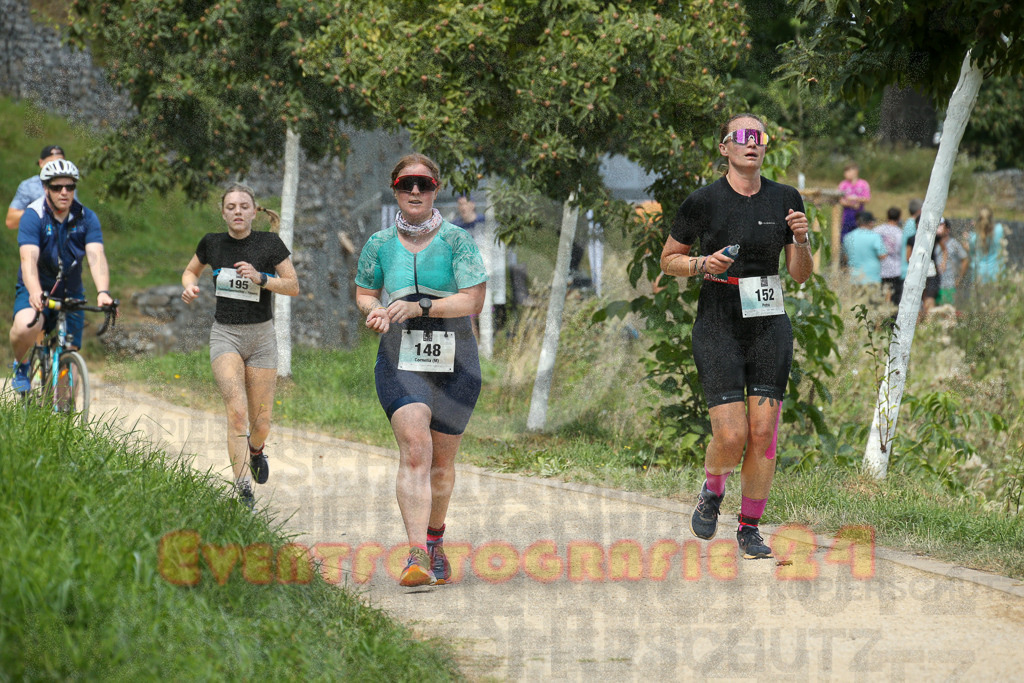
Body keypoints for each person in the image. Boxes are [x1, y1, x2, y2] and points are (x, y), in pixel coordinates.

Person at [659, 113, 813, 560]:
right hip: (718, 322)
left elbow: (800, 275)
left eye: (759, 136)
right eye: (742, 136)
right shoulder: (703, 201)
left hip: (768, 323)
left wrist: (802, 241)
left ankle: (749, 528)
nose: (752, 143)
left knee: (764, 434)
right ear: (724, 148)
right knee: (731, 435)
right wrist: (701, 264)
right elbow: (668, 260)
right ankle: (712, 491)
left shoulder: (785, 198)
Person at [355, 154, 488, 586]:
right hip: (400, 357)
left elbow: (473, 300)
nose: (415, 191)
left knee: (441, 465)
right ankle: (415, 555)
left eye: (425, 184)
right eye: (407, 183)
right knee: (416, 448)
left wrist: (421, 306)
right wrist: (375, 310)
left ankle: (434, 540)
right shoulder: (379, 243)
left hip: (457, 359)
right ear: (395, 188)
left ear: (436, 190)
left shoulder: (456, 240)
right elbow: (364, 292)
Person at [180, 183, 299, 510]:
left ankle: (256, 449)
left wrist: (262, 279)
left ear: (254, 211)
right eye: (230, 207)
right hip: (226, 336)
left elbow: (292, 286)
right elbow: (190, 271)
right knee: (236, 413)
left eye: (243, 206)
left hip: (261, 339)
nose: (237, 212)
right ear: (223, 213)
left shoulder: (269, 244)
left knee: (261, 423)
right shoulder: (212, 243)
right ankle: (244, 489)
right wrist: (189, 286)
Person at [10, 159, 113, 392]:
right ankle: (21, 363)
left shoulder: (86, 217)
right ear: (45, 188)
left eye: (70, 186)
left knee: (68, 372)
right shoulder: (33, 215)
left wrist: (103, 292)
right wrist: (35, 292)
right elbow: (28, 260)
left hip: (71, 291)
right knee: (25, 327)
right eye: (57, 187)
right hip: (36, 287)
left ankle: (62, 411)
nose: (64, 192)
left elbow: (96, 256)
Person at [6, 145, 73, 230]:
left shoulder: (69, 186)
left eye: (60, 163)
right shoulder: (28, 186)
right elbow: (11, 221)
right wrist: (42, 210)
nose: (56, 168)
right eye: (51, 164)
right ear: (41, 163)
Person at [906, 219, 942, 320]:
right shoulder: (911, 239)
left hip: (930, 270)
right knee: (919, 298)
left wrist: (943, 262)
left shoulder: (934, 237)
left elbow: (944, 248)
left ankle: (928, 322)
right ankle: (922, 322)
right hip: (918, 270)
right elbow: (907, 256)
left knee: (929, 297)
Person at [842, 211, 886, 288]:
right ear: (871, 223)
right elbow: (882, 255)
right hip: (872, 278)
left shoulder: (848, 237)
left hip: (854, 278)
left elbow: (846, 257)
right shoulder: (875, 236)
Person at [968, 207, 1007, 286]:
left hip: (979, 276)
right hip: (998, 274)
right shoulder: (999, 229)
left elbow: (972, 254)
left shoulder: (973, 238)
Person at [935, 218, 969, 308]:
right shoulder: (933, 243)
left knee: (947, 310)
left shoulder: (954, 244)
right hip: (934, 284)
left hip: (948, 284)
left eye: (941, 226)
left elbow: (965, 259)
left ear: (947, 230)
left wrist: (959, 278)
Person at [876, 207, 904, 305]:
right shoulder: (899, 232)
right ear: (899, 218)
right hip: (895, 269)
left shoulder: (877, 230)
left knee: (880, 299)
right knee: (894, 300)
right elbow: (901, 250)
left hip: (879, 268)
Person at [837, 162, 871, 241]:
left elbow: (867, 198)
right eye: (845, 172)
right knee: (845, 237)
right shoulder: (843, 184)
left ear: (855, 171)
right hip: (847, 216)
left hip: (860, 215)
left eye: (848, 171)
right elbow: (839, 200)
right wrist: (851, 205)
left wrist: (855, 199)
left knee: (859, 237)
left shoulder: (863, 184)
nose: (846, 174)